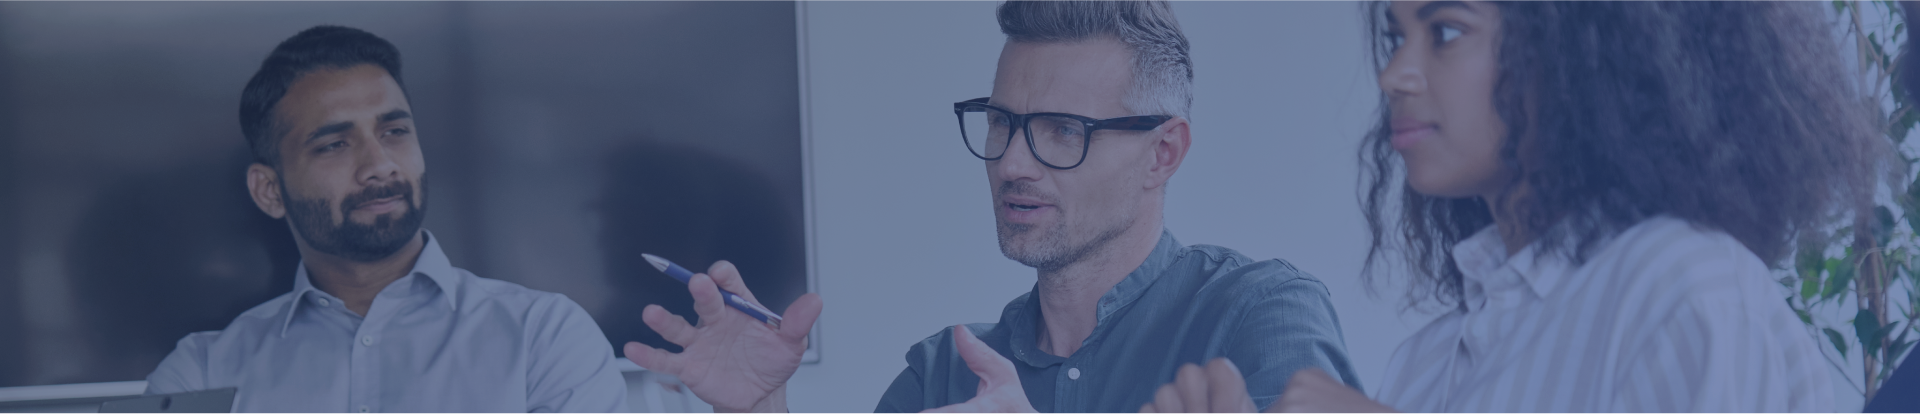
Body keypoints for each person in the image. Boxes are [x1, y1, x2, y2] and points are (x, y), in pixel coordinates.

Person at [1137, 0, 1877, 413]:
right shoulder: (1429, 362)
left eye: (1445, 32)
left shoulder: (1687, 290)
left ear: (1579, 45)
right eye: (1396, 36)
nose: (1395, 74)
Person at [621, 0, 1361, 413]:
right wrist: (760, 411)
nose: (1011, 162)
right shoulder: (943, 372)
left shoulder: (1261, 314)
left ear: (1162, 153)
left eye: (1062, 130)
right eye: (1003, 123)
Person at [143, 26, 628, 414]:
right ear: (269, 190)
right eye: (335, 144)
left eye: (394, 131)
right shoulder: (201, 374)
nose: (380, 164)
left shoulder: (545, 336)